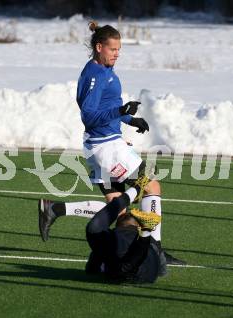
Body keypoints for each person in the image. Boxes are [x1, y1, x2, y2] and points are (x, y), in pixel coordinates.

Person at [61, 20, 185, 274]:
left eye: (119, 50)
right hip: (107, 147)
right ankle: (155, 248)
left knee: (119, 207)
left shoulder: (104, 70)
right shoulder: (95, 75)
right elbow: (89, 116)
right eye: (113, 49)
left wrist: (129, 118)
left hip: (103, 145)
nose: (117, 54)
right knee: (151, 186)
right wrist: (120, 110)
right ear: (99, 47)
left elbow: (106, 107)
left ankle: (98, 257)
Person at [39, 177, 163, 283]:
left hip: (137, 266)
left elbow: (91, 269)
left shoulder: (111, 238)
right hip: (145, 268)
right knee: (152, 187)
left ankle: (57, 208)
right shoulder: (117, 239)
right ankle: (57, 208)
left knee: (118, 209)